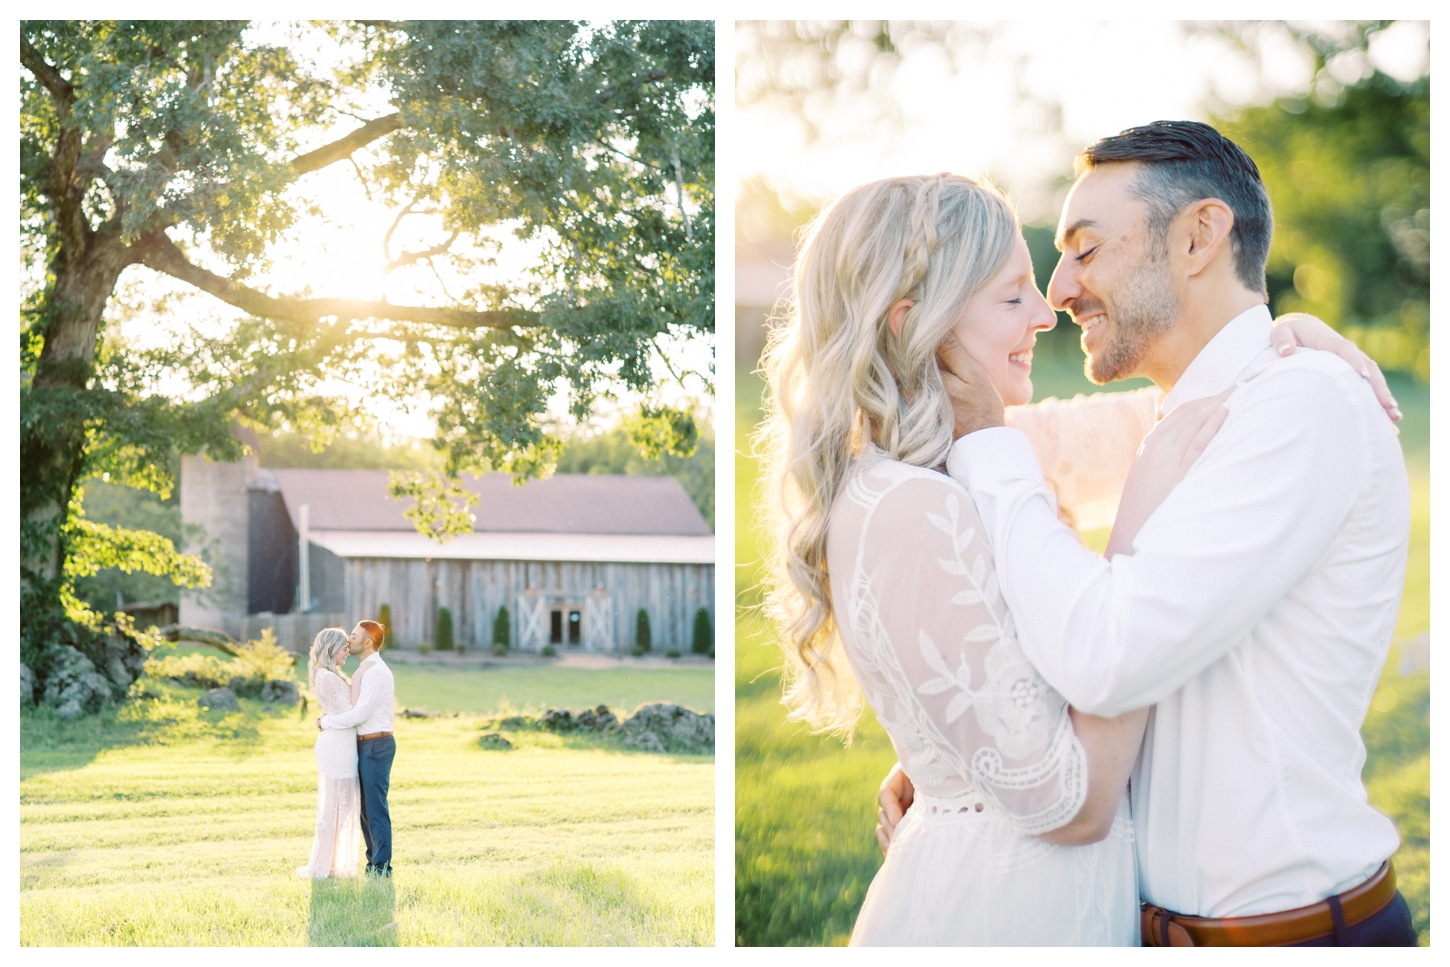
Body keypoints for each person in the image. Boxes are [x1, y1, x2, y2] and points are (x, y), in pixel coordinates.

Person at [758, 166, 1389, 945]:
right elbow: (1076, 795)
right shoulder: (919, 493)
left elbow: (1176, 416)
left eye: (1077, 256)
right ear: (915, 323)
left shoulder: (967, 453)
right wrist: (1135, 527)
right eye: (1012, 293)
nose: (1049, 307)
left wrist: (1277, 338)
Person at [318, 620, 396, 877]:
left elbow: (360, 714)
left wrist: (327, 722)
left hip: (376, 744)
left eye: (354, 636)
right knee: (365, 809)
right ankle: (372, 862)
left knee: (375, 808)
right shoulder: (366, 668)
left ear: (368, 642)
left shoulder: (375, 672)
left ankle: (382, 868)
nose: (349, 640)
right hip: (364, 745)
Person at [296, 627, 362, 879]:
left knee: (341, 807)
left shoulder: (327, 675)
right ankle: (327, 864)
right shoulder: (327, 677)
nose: (347, 651)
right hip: (337, 746)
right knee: (335, 806)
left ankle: (331, 861)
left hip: (339, 743)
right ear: (331, 648)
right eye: (344, 647)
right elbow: (348, 714)